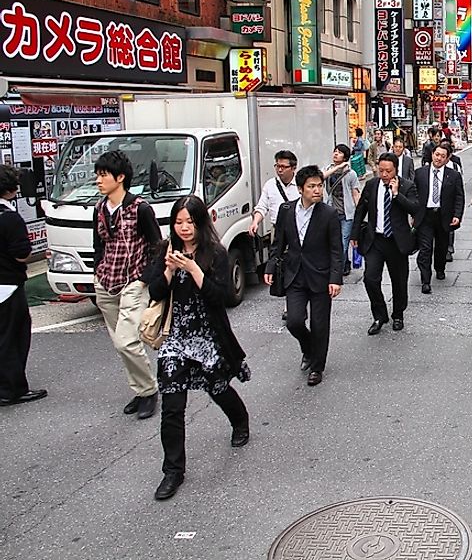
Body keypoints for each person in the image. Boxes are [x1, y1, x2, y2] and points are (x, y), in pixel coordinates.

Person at [145, 196, 251, 500]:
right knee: (172, 406)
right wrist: (167, 270)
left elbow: (220, 296)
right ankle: (173, 472)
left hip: (207, 336)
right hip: (176, 339)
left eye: (189, 222)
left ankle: (239, 420)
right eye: (178, 222)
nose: (184, 228)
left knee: (218, 388)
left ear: (200, 222)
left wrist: (193, 268)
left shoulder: (215, 253)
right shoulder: (166, 249)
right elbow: (154, 291)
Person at [92, 151, 161, 420]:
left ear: (120, 178)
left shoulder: (140, 208)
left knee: (127, 342)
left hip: (133, 281)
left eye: (103, 175)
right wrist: (98, 271)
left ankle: (149, 390)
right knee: (119, 342)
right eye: (97, 175)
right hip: (105, 282)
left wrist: (145, 278)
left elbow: (157, 246)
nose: (98, 180)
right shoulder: (100, 208)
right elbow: (98, 244)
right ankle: (141, 389)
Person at [266, 166, 343, 387]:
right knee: (294, 321)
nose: (317, 190)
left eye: (319, 185)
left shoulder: (328, 214)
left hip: (320, 276)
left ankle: (317, 367)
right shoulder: (286, 210)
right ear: (301, 189)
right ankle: (308, 348)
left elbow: (336, 250)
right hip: (294, 275)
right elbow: (278, 242)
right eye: (311, 186)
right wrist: (271, 266)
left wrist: (335, 278)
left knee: (320, 325)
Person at [351, 153, 420, 335]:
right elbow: (361, 210)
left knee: (399, 281)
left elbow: (415, 209)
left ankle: (398, 314)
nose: (384, 174)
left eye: (388, 171)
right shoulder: (372, 185)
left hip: (397, 242)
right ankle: (379, 315)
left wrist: (396, 194)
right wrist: (354, 234)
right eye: (381, 170)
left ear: (396, 169)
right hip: (376, 240)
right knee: (370, 279)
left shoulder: (407, 186)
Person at [0, 165, 46, 407]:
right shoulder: (10, 218)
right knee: (14, 337)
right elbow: (21, 255)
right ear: (11, 189)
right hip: (7, 284)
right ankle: (12, 389)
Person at [414, 144, 465, 294]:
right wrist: (412, 214)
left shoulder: (453, 175)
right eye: (437, 154)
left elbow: (459, 196)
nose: (439, 158)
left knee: (442, 247)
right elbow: (413, 194)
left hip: (444, 215)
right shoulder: (420, 173)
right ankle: (425, 280)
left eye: (443, 156)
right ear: (432, 155)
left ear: (447, 158)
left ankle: (440, 267)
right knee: (425, 248)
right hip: (425, 215)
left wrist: (457, 215)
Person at [323, 144, 362, 276]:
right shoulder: (328, 169)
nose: (335, 154)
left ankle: (337, 270)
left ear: (345, 156)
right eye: (335, 151)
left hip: (346, 214)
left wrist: (359, 213)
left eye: (339, 152)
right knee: (332, 242)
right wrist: (337, 168)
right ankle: (344, 263)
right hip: (330, 213)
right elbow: (320, 177)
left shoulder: (351, 174)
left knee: (342, 242)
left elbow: (355, 193)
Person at [249, 150, 300, 237]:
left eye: (284, 167)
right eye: (277, 166)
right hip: (277, 230)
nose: (280, 170)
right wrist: (255, 222)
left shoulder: (301, 184)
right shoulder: (270, 185)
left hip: (298, 230)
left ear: (293, 168)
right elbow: (262, 207)